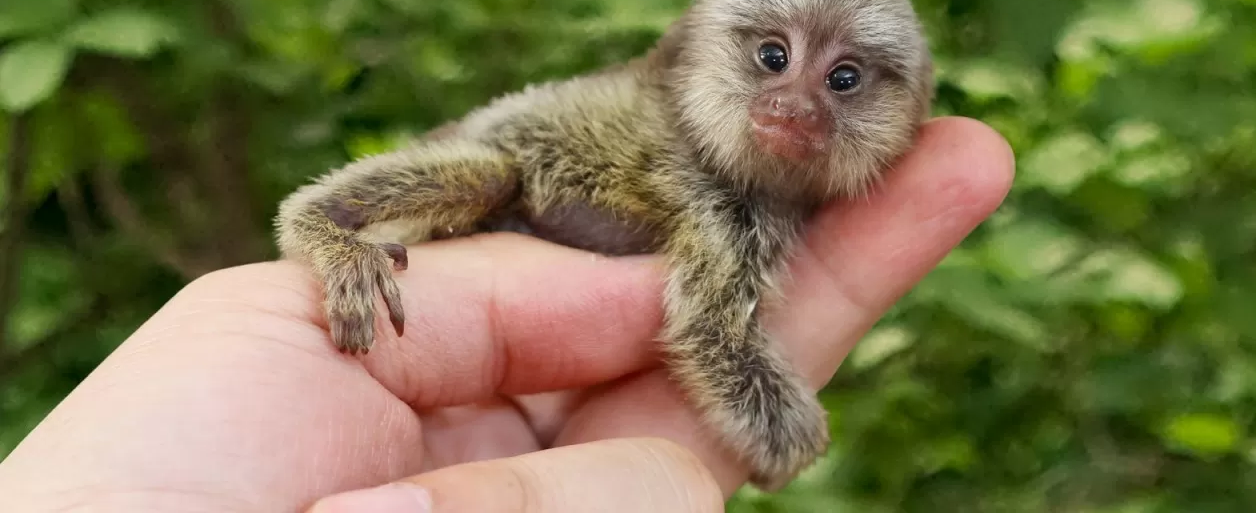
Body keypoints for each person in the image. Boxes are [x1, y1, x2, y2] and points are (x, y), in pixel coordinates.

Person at [0, 117, 1013, 512]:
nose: (794, 104)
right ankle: (328, 233)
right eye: (769, 59)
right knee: (474, 177)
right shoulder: (713, 188)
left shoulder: (769, 198)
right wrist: (787, 430)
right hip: (511, 185)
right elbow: (710, 334)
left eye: (843, 84)